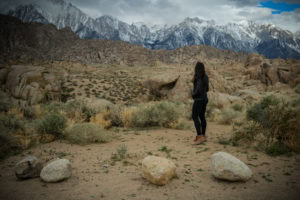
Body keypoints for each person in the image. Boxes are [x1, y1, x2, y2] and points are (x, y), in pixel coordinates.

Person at [192, 62, 209, 145]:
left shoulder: (198, 77)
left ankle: (199, 136)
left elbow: (198, 89)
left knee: (194, 116)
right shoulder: (206, 77)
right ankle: (203, 135)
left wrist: (193, 94)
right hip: (205, 99)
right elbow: (207, 89)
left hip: (198, 99)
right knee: (202, 116)